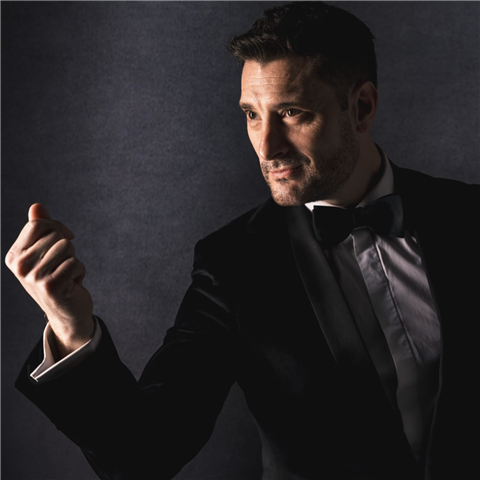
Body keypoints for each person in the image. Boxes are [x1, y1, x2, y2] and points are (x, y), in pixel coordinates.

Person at [6, 1, 479, 479]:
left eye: (291, 113)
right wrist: (70, 327)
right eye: (252, 115)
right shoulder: (233, 265)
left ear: (361, 107)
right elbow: (143, 455)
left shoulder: (467, 216)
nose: (267, 146)